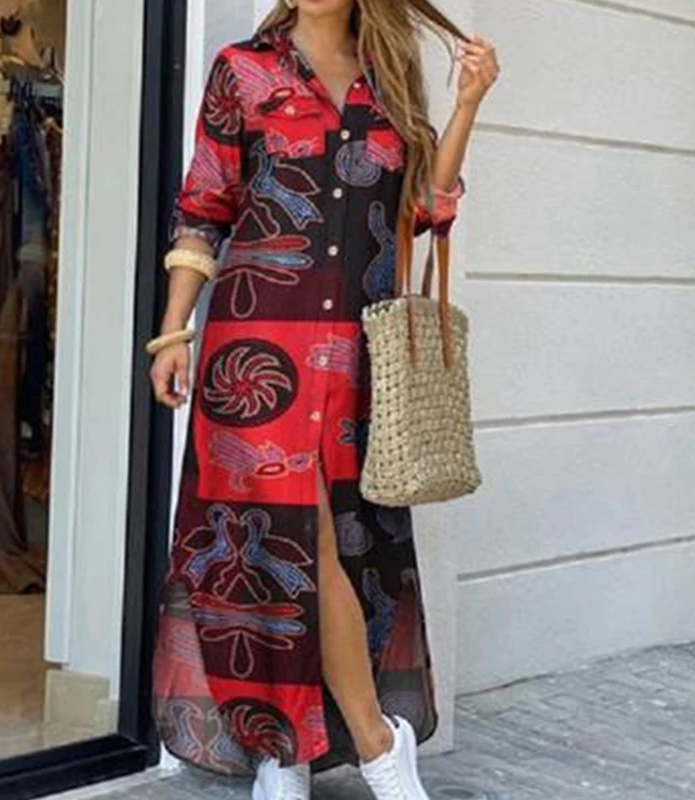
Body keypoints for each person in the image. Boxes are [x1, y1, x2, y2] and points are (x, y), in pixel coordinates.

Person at [149, 1, 499, 798]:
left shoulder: (389, 81)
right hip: (255, 353)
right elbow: (203, 209)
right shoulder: (243, 71)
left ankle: (293, 749)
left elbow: (423, 208)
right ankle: (370, 746)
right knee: (286, 543)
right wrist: (172, 334)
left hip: (354, 357)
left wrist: (468, 105)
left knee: (339, 543)